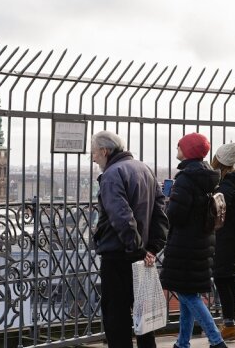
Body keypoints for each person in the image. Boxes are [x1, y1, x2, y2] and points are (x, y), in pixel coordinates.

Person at [91, 131, 170, 348]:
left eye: (95, 153)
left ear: (105, 151)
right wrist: (152, 248)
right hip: (143, 254)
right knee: (145, 318)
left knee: (116, 318)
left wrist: (137, 249)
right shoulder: (144, 169)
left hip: (119, 255)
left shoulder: (111, 175)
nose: (93, 158)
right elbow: (160, 212)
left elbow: (121, 217)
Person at [159, 132, 227, 348]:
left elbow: (176, 215)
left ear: (187, 151)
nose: (177, 150)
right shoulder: (209, 176)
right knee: (188, 292)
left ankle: (216, 341)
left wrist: (169, 201)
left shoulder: (186, 178)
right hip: (202, 241)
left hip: (185, 243)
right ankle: (182, 342)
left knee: (188, 295)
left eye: (180, 146)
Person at [211, 142, 235, 341]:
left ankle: (229, 325)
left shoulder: (225, 187)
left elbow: (217, 215)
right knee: (229, 280)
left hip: (224, 238)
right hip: (233, 239)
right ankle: (231, 322)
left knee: (222, 279)